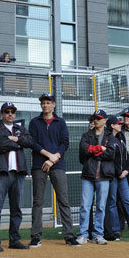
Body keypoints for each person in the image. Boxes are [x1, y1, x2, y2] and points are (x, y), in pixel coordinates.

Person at [28, 93, 79, 247]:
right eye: (43, 102)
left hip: (57, 164)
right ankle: (35, 236)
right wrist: (48, 156)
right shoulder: (34, 122)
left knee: (63, 200)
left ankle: (69, 236)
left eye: (48, 102)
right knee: (38, 201)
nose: (45, 105)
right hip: (39, 164)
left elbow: (65, 143)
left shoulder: (60, 122)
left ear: (54, 105)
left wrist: (54, 158)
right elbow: (33, 143)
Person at [0, 101, 34, 252]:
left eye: (12, 112)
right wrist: (19, 143)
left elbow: (30, 141)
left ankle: (14, 240)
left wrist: (17, 139)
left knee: (17, 209)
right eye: (7, 111)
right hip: (1, 174)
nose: (10, 114)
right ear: (1, 114)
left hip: (18, 174)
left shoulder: (19, 128)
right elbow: (1, 145)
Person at [77, 109, 115, 245]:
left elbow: (111, 154)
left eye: (99, 118)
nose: (96, 120)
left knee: (101, 207)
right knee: (85, 206)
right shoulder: (86, 135)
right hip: (88, 175)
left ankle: (98, 234)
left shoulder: (110, 137)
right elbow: (84, 150)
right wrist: (100, 148)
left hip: (104, 176)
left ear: (105, 120)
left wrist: (94, 151)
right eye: (94, 118)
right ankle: (83, 234)